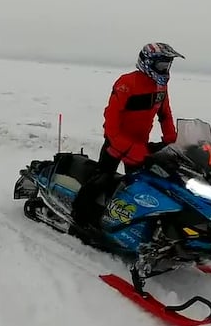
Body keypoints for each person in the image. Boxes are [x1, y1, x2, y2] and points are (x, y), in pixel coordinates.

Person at [71, 42, 185, 230]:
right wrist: (125, 146)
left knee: (142, 187)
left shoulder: (160, 88)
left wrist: (172, 142)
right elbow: (111, 121)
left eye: (168, 65)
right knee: (103, 179)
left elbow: (165, 115)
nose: (166, 69)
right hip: (116, 145)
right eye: (162, 65)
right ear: (148, 63)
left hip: (140, 145)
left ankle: (130, 226)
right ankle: (79, 217)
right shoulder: (127, 83)